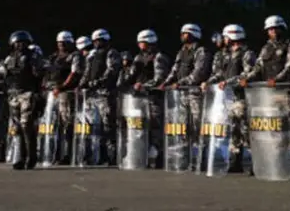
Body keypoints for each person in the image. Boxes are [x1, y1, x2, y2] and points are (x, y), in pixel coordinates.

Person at [244, 15, 290, 176]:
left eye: (275, 28)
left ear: (282, 28)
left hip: (288, 92)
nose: (273, 31)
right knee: (274, 130)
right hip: (269, 94)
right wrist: (246, 79)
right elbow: (257, 67)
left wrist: (276, 80)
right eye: (270, 29)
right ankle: (277, 164)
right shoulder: (266, 48)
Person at [160, 23, 214, 170]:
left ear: (193, 34)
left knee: (198, 126)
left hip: (195, 94)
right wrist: (166, 83)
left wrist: (180, 83)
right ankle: (187, 158)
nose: (182, 35)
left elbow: (199, 73)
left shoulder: (201, 51)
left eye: (185, 33)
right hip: (182, 94)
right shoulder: (182, 51)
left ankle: (201, 158)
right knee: (184, 127)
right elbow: (175, 69)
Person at [0, 30, 44, 170]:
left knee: (27, 125)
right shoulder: (8, 59)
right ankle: (19, 157)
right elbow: (0, 73)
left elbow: (40, 72)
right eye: (17, 42)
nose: (20, 45)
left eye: (23, 42)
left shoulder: (33, 56)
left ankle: (31, 158)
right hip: (13, 94)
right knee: (17, 128)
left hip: (27, 93)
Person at [209, 24, 255, 173]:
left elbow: (246, 74)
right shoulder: (226, 54)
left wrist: (227, 82)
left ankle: (253, 162)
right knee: (233, 129)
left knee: (245, 129)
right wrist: (208, 82)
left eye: (226, 36)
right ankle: (236, 160)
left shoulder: (247, 53)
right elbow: (220, 74)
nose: (224, 39)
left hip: (242, 98)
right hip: (228, 97)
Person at [122, 29, 171, 168]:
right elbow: (132, 75)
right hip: (138, 99)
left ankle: (158, 157)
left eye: (142, 42)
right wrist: (123, 85)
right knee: (140, 126)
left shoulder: (159, 57)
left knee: (156, 126)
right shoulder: (138, 58)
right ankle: (140, 155)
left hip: (154, 97)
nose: (139, 45)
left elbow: (159, 78)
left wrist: (143, 85)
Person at [79, 28, 121, 165]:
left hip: (105, 94)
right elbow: (87, 71)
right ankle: (94, 155)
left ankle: (112, 156)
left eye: (99, 40)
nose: (97, 43)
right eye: (95, 41)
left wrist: (98, 82)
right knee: (92, 126)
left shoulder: (111, 53)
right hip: (91, 95)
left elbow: (112, 71)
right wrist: (82, 85)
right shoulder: (92, 55)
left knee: (108, 125)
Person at [42, 30, 84, 164]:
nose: (62, 46)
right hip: (51, 94)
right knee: (53, 125)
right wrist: (45, 85)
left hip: (66, 93)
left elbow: (74, 73)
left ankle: (67, 155)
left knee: (67, 124)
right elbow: (46, 72)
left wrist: (61, 87)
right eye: (60, 43)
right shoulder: (54, 57)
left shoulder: (75, 55)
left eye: (64, 43)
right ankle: (53, 154)